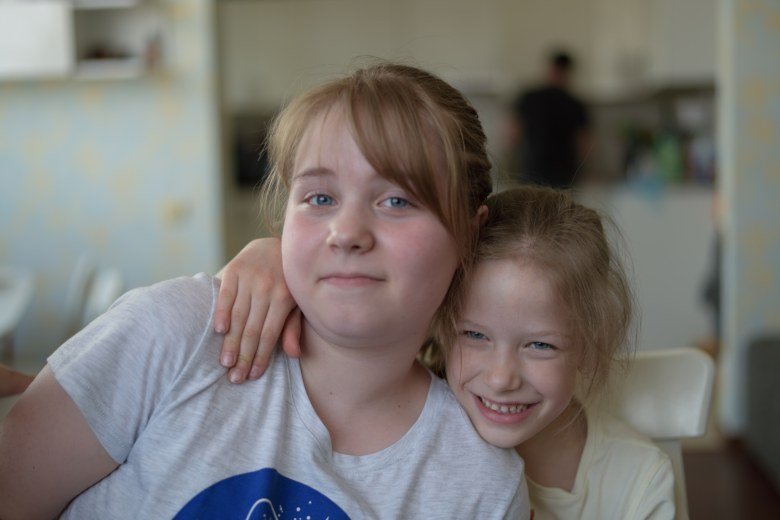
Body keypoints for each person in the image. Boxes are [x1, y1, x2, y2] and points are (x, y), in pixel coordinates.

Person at [0, 63, 529, 519]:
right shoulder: (175, 332)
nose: (346, 233)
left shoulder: (482, 484)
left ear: (470, 232)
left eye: (397, 201)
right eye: (320, 198)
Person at [216, 186, 676, 519]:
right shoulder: (396, 419)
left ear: (592, 341)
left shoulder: (637, 479)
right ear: (436, 317)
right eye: (474, 335)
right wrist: (273, 258)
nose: (501, 377)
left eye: (540, 345)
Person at [506, 49, 591, 188]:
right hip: (564, 175)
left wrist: (509, 162)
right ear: (568, 72)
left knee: (531, 202)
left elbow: (513, 135)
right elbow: (584, 144)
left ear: (551, 68)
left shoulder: (529, 98)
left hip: (533, 171)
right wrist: (584, 171)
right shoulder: (575, 104)